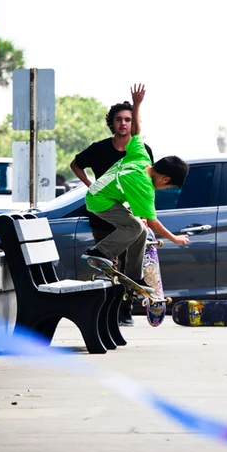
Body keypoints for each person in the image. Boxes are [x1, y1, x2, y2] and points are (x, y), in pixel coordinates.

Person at [70, 84, 155, 325]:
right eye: (119, 119)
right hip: (105, 215)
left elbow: (146, 183)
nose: (123, 124)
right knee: (110, 267)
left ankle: (125, 310)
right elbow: (75, 165)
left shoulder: (141, 150)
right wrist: (90, 185)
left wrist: (145, 213)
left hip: (130, 215)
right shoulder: (99, 149)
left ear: (133, 123)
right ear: (112, 123)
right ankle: (107, 312)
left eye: (128, 119)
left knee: (129, 266)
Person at [81, 134, 190, 299]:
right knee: (136, 226)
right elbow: (153, 223)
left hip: (102, 194)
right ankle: (99, 252)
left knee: (142, 230)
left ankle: (133, 275)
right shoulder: (145, 186)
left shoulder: (142, 157)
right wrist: (175, 239)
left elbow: (135, 133)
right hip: (99, 201)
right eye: (168, 187)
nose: (165, 189)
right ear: (166, 179)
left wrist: (136, 107)